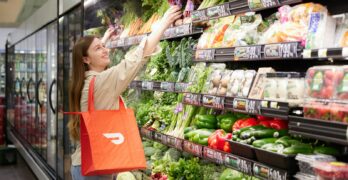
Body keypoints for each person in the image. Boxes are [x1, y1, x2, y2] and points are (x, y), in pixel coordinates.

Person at [68, 6, 182, 180]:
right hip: (95, 171)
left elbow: (100, 60)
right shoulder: (101, 81)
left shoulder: (83, 80)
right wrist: (164, 23)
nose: (105, 50)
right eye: (99, 49)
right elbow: (135, 59)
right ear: (85, 59)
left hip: (85, 164)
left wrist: (103, 40)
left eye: (104, 46)